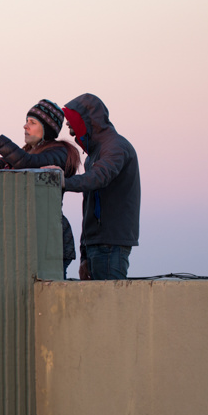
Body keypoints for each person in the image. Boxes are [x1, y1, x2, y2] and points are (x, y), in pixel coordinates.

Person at [0, 99, 81, 277]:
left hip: (51, 240)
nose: (25, 126)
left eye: (32, 123)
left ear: (47, 129)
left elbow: (29, 164)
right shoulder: (25, 155)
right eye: (27, 121)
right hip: (31, 237)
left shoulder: (59, 154)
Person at [60, 93, 140, 280]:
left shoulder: (116, 148)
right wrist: (84, 255)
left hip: (111, 245)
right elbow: (88, 208)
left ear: (86, 122)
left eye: (72, 126)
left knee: (109, 305)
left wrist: (61, 181)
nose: (71, 134)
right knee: (99, 305)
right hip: (97, 244)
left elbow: (98, 178)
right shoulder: (94, 155)